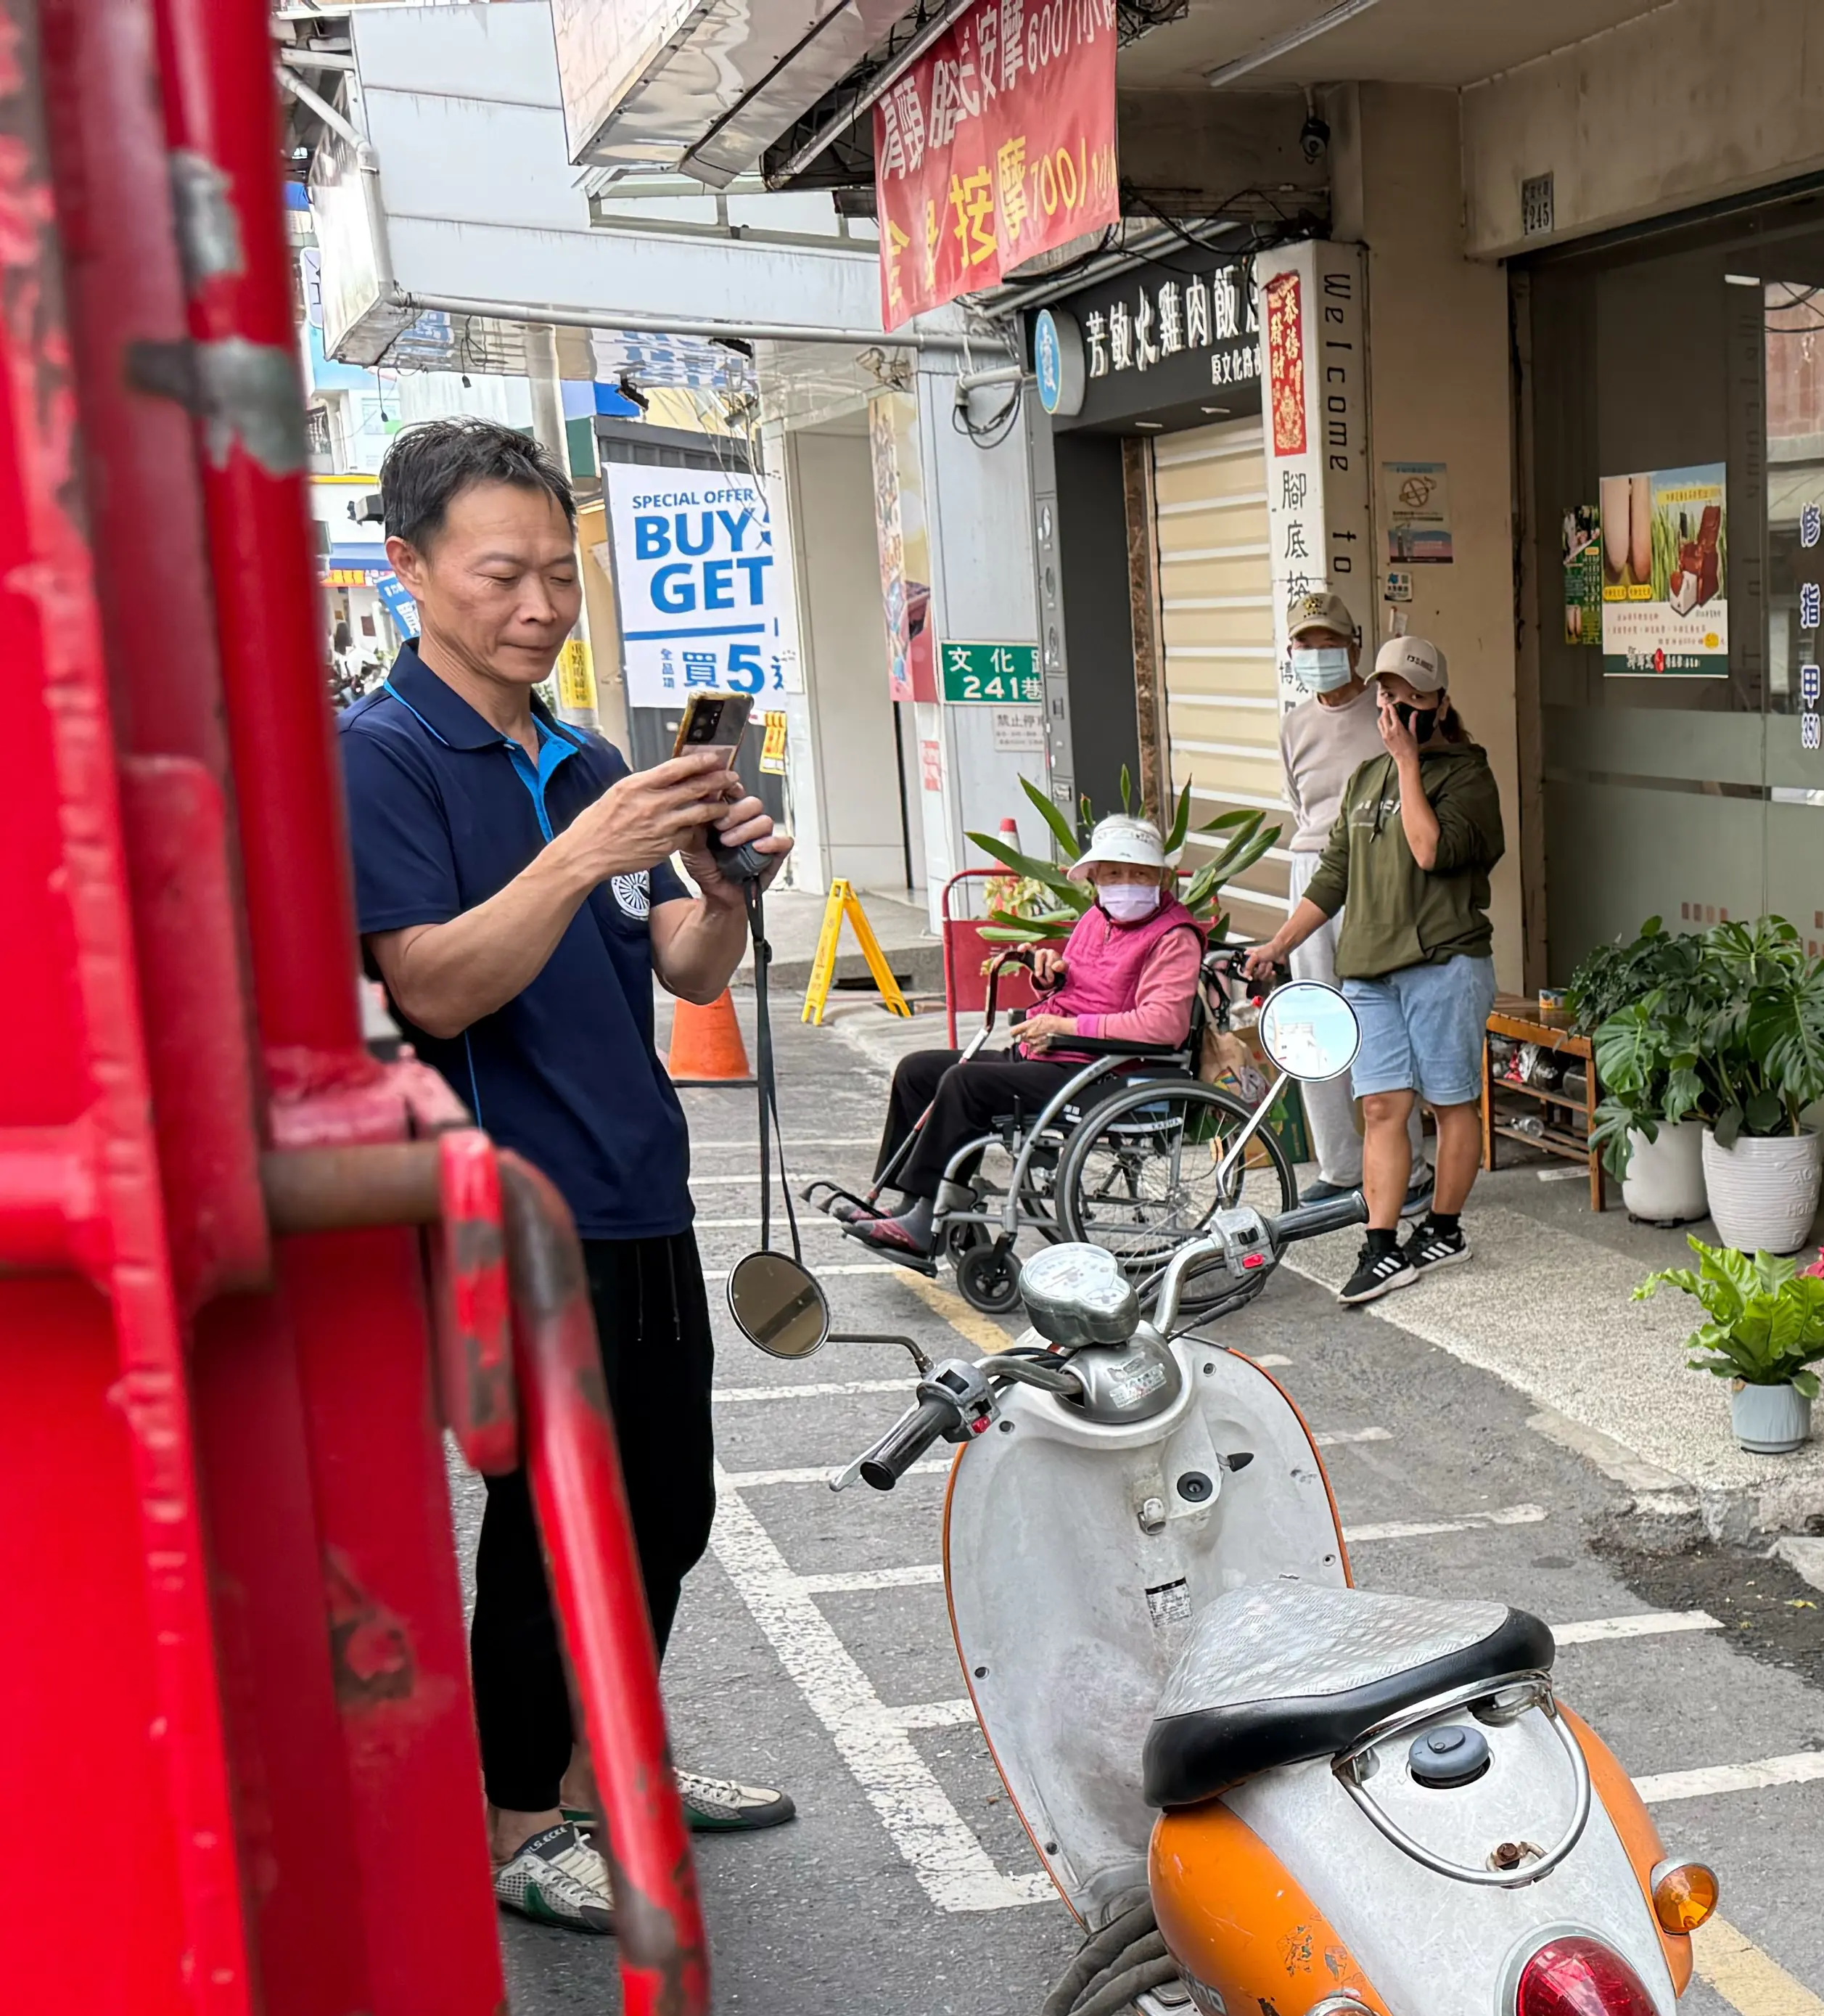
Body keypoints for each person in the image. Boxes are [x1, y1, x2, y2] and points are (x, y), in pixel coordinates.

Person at [343, 416, 799, 1932]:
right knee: (551, 1524)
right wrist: (579, 846)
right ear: (407, 570)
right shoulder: (385, 757)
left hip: (639, 1189)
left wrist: (724, 895)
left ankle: (609, 1769)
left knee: (666, 1511)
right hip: (506, 1208)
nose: (540, 605)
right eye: (502, 575)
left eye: (559, 573)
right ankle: (525, 1819)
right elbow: (438, 984)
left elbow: (673, 961)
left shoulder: (583, 752)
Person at [1252, 631, 1505, 1307]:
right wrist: (1279, 944)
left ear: (1440, 706)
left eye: (1411, 697)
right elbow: (1334, 873)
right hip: (1367, 970)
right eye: (1388, 695)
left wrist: (1409, 766)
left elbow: (1429, 851)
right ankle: (1382, 1243)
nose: (1395, 707)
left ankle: (1445, 1228)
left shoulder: (1468, 775)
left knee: (1450, 1103)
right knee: (1383, 1106)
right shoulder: (1366, 780)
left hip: (1444, 963)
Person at [837, 814, 1204, 1264]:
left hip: (1104, 1072)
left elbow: (1163, 1025)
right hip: (1059, 1055)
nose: (1126, 882)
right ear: (1094, 880)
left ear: (1161, 878)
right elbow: (1078, 991)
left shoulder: (1174, 937)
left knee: (964, 1083)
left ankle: (928, 1218)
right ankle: (909, 1203)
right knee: (918, 1070)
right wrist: (1048, 977)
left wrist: (1064, 1028)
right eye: (1114, 873)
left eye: (1139, 873)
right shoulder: (1096, 918)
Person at [1270, 588, 1379, 1212]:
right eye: (1305, 645)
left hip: (1377, 867)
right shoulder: (1294, 725)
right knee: (1316, 1018)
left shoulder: (1384, 709)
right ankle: (1339, 1166)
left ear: (1354, 644)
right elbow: (1300, 806)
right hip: (1314, 870)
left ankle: (1402, 1164)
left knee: (1381, 1012)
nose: (1317, 654)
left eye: (1329, 643)